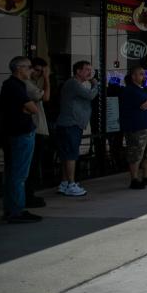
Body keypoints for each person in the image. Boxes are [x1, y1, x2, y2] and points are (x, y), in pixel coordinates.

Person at [0, 57, 42, 223]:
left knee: (12, 173)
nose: (31, 71)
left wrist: (27, 109)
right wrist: (27, 109)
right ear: (19, 68)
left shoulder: (11, 85)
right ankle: (16, 210)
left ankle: (11, 209)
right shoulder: (15, 85)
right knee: (19, 174)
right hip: (21, 133)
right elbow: (33, 108)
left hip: (14, 132)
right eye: (29, 67)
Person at [55, 60, 98, 197]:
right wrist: (95, 83)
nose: (89, 73)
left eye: (90, 70)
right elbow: (90, 95)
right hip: (70, 124)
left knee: (67, 155)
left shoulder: (75, 84)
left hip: (70, 124)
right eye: (86, 70)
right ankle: (71, 184)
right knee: (71, 155)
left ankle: (65, 182)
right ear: (78, 71)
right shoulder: (73, 83)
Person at [119, 65, 147, 189]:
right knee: (136, 153)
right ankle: (134, 179)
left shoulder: (146, 88)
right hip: (137, 127)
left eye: (144, 74)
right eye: (141, 74)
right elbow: (145, 103)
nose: (144, 76)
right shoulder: (130, 90)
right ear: (133, 76)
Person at [24, 57, 50, 207]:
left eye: (42, 72)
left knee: (33, 165)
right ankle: (27, 196)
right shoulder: (27, 85)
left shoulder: (32, 83)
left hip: (37, 129)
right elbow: (45, 97)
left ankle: (29, 195)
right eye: (37, 70)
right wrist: (46, 78)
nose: (39, 74)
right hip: (33, 129)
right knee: (30, 166)